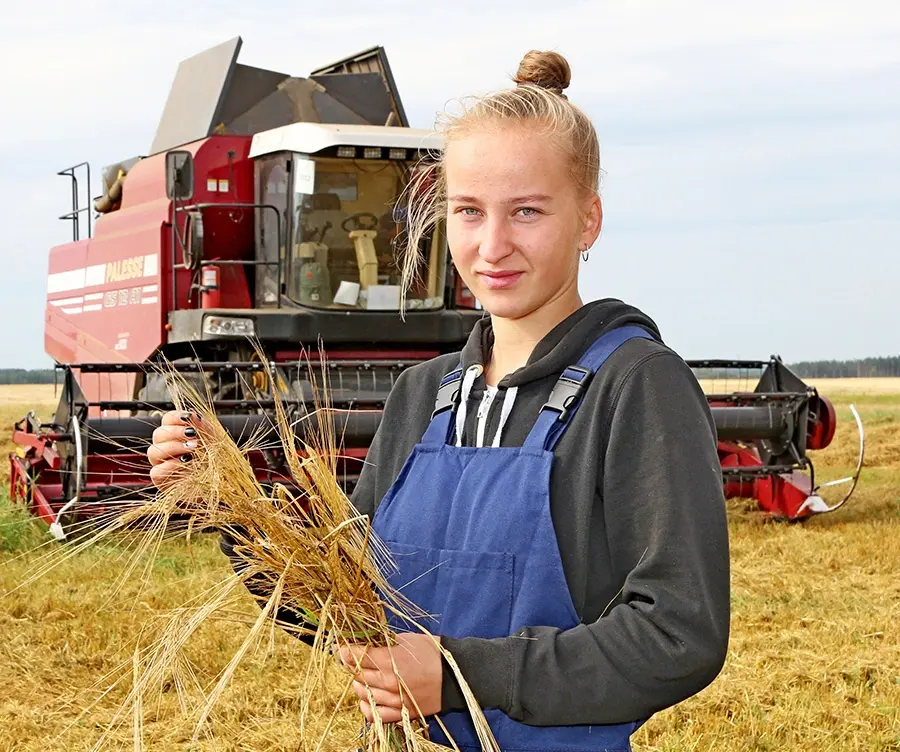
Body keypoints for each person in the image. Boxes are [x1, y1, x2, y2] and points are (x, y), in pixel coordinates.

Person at [148, 49, 730, 751]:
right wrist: (231, 506)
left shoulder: (635, 385)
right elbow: (348, 607)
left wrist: (457, 674)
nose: (493, 245)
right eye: (468, 211)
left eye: (526, 211)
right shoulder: (423, 395)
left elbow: (679, 632)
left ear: (589, 220)